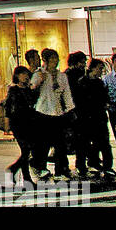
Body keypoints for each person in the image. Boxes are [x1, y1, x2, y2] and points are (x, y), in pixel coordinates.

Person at [30, 49, 74, 180]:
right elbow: (31, 89)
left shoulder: (61, 76)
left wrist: (70, 110)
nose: (54, 61)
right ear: (46, 60)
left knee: (60, 143)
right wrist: (39, 81)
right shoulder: (40, 74)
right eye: (52, 59)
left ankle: (62, 169)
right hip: (42, 112)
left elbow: (67, 94)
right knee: (43, 143)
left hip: (58, 113)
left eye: (56, 58)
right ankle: (40, 167)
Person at [74, 59, 114, 177]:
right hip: (85, 118)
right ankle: (82, 166)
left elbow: (104, 98)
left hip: (99, 117)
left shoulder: (99, 83)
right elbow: (78, 101)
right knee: (83, 144)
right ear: (92, 68)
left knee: (104, 143)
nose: (101, 71)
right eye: (99, 68)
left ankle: (106, 166)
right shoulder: (82, 82)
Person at [3, 66, 37, 183]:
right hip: (17, 123)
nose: (26, 76)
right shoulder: (13, 90)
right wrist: (7, 123)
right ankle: (26, 179)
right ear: (17, 76)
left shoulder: (29, 90)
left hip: (29, 123)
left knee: (27, 151)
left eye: (27, 74)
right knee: (26, 150)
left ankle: (14, 169)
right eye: (22, 74)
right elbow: (8, 107)